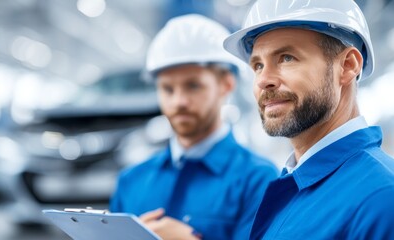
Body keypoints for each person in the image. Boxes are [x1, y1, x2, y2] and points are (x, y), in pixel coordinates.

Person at [223, 0, 394, 239]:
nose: (263, 80)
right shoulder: (293, 188)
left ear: (347, 66)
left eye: (286, 58)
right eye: (258, 65)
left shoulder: (382, 198)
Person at [110, 14, 279, 240]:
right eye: (168, 89)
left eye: (193, 86)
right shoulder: (131, 181)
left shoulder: (259, 180)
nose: (179, 101)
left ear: (226, 84)